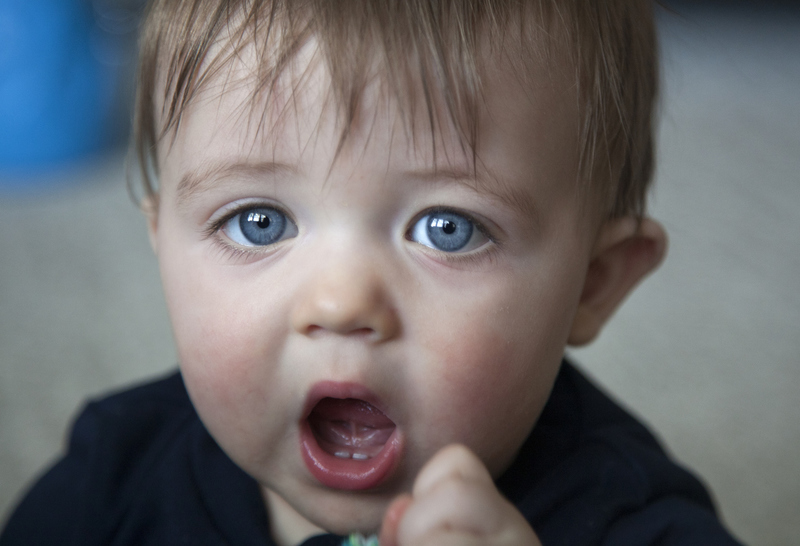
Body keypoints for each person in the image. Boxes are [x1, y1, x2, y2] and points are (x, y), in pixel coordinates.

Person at [0, 1, 744, 544]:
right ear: (163, 243)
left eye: (447, 230)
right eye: (260, 221)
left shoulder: (634, 521)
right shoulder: (113, 477)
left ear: (594, 282)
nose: (340, 302)